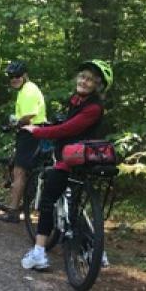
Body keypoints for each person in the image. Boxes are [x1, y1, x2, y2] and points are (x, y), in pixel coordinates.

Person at [20, 59, 113, 270]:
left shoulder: (94, 108)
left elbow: (67, 130)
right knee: (72, 206)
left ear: (98, 85)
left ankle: (39, 254)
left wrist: (37, 131)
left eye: (90, 79)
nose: (84, 81)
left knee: (47, 200)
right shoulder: (77, 101)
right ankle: (96, 252)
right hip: (76, 159)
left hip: (71, 161)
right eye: (82, 77)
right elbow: (65, 123)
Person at [0, 61, 47, 223]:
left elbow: (28, 116)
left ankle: (13, 212)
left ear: (24, 75)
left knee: (19, 172)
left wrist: (14, 124)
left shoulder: (28, 90)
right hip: (37, 133)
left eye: (17, 76)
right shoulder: (27, 89)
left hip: (30, 134)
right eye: (11, 77)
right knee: (29, 172)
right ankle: (27, 204)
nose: (14, 79)